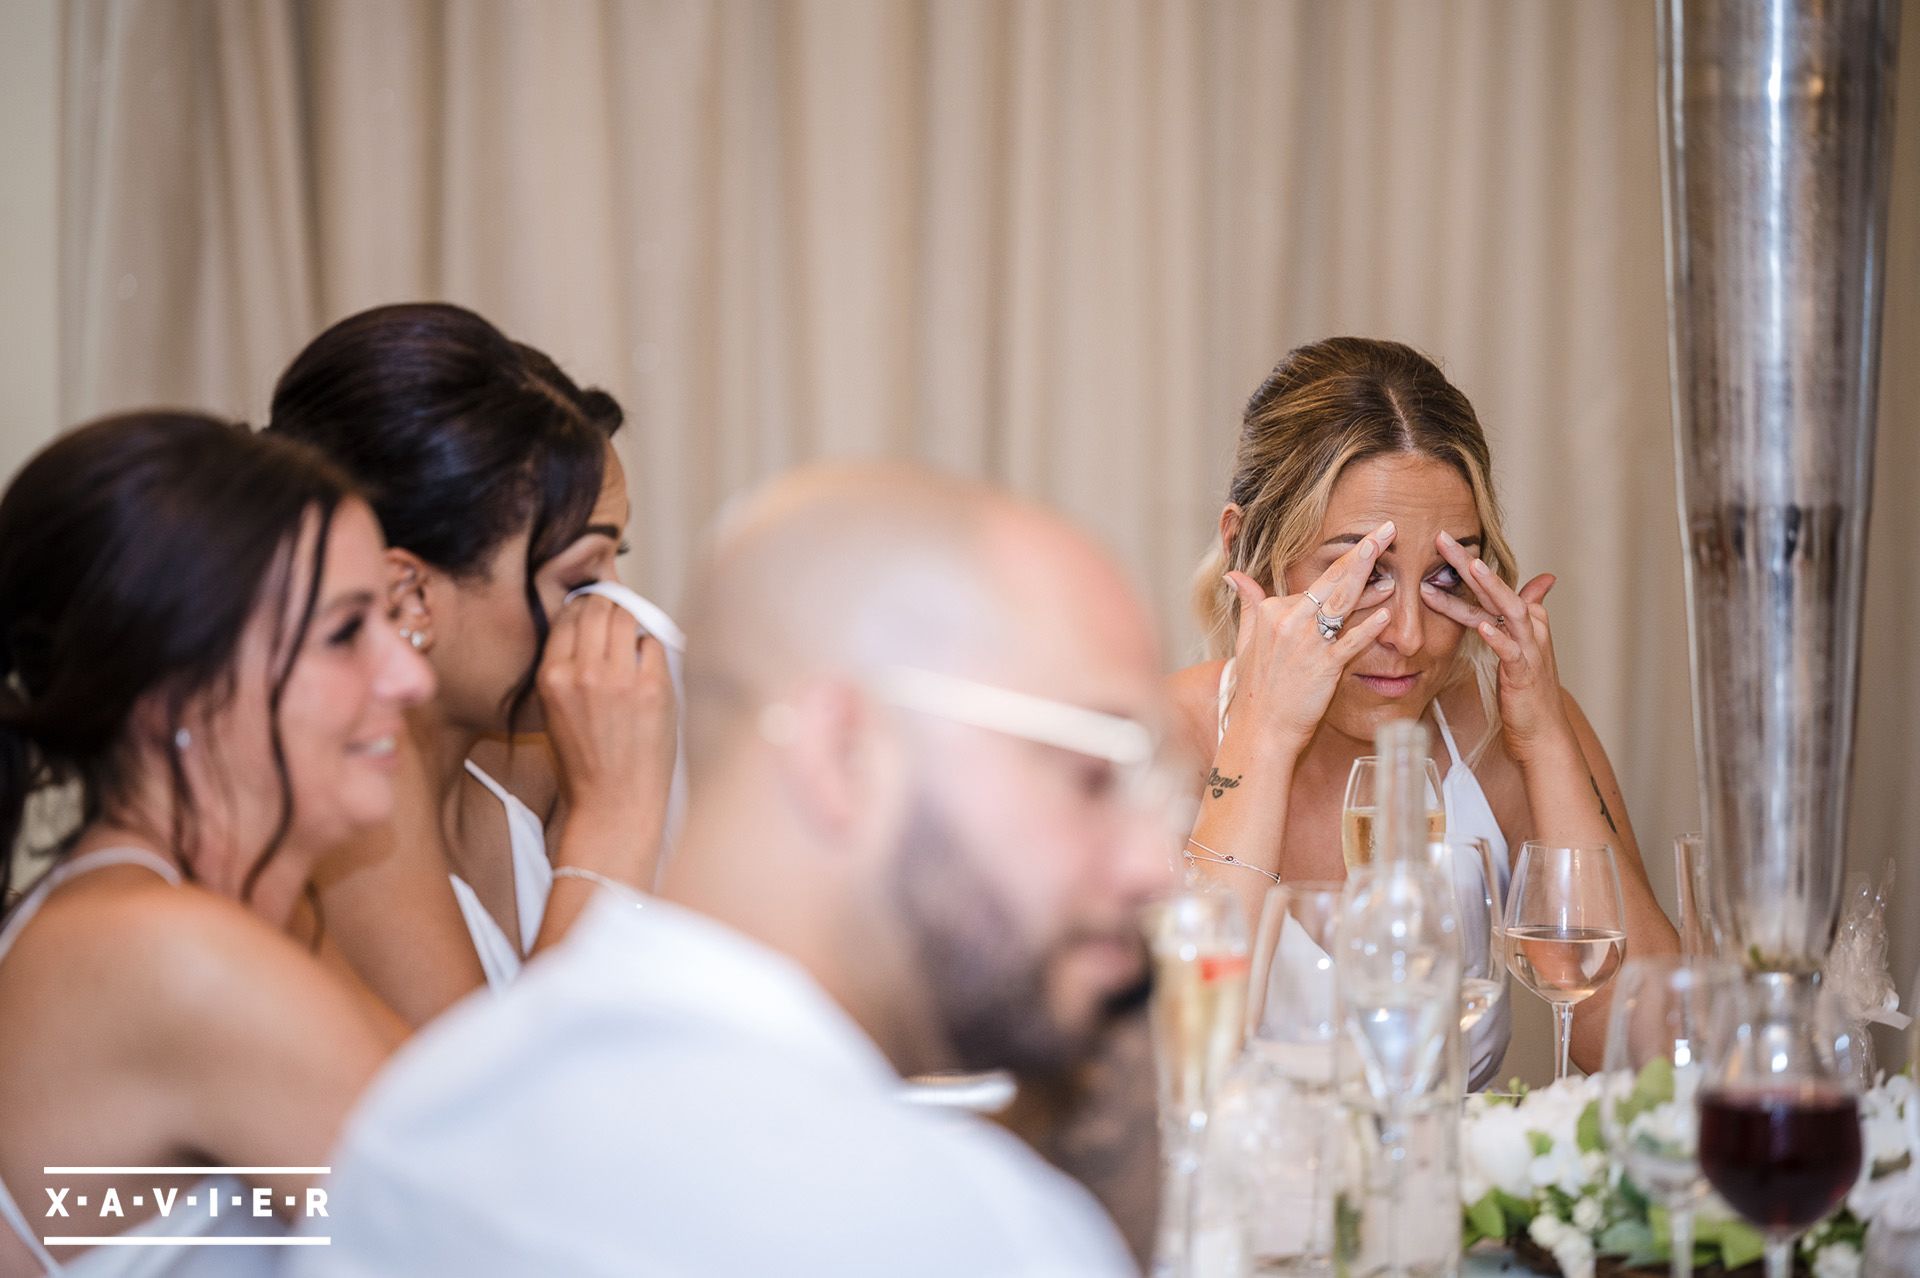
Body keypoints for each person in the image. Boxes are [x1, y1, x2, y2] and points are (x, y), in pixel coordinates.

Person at [295, 464, 1173, 1276]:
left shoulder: (421, 1121)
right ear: (843, 754)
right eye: (1090, 775)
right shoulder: (967, 1236)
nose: (1153, 865)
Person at [1168, 337, 1678, 1079]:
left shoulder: (1499, 731)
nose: (1409, 635)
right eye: (1364, 572)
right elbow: (1181, 1067)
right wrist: (1264, 736)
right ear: (1246, 551)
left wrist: (1545, 743)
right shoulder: (1161, 745)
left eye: (1444, 576)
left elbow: (1658, 1054)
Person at [0, 413, 433, 1272]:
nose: (412, 675)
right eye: (347, 633)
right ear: (178, 695)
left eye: (394, 621)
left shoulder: (223, 911)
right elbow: (495, 1230)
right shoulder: (168, 954)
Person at [267, 303, 678, 1025]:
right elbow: (501, 1125)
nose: (617, 612)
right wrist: (614, 821)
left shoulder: (535, 758)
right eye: (580, 579)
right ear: (411, 598)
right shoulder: (357, 825)